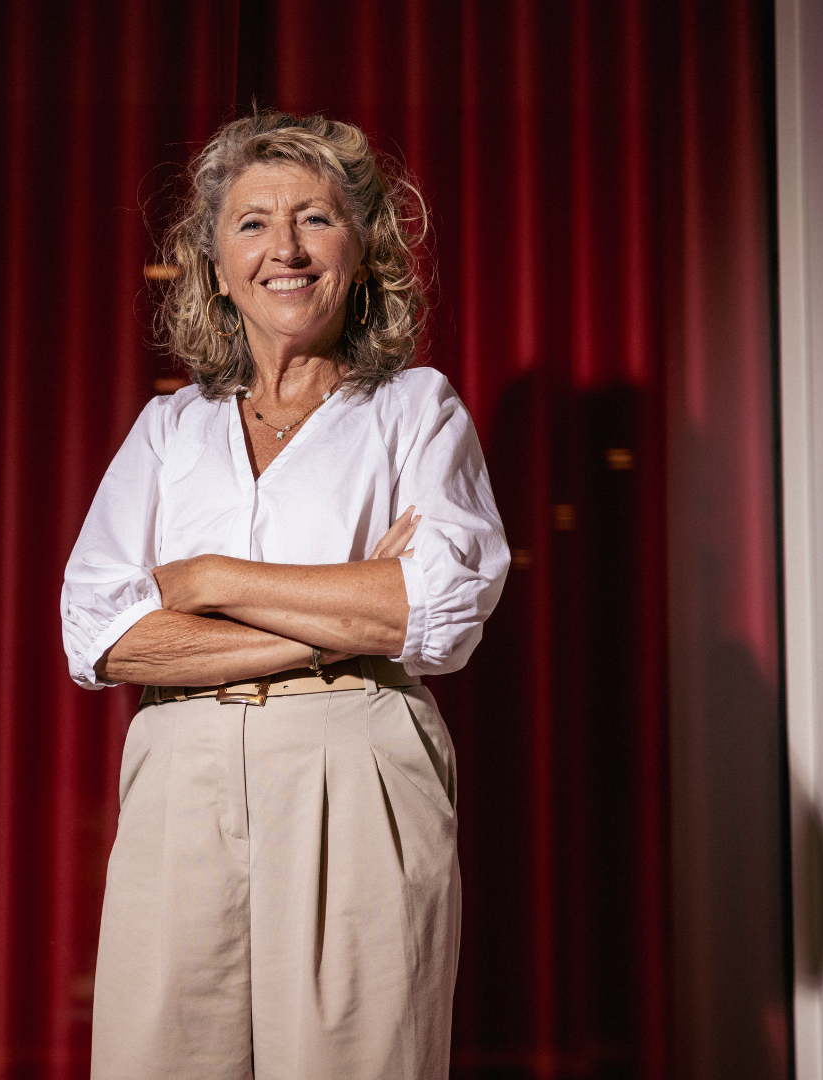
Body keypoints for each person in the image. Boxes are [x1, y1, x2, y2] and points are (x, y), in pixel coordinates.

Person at [61, 110, 509, 1080]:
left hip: (358, 762)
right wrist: (339, 622)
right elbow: (101, 634)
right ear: (217, 266)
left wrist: (209, 581)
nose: (287, 249)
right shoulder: (169, 430)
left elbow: (437, 611)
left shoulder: (415, 410)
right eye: (253, 223)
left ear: (363, 250)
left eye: (316, 218)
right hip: (180, 772)